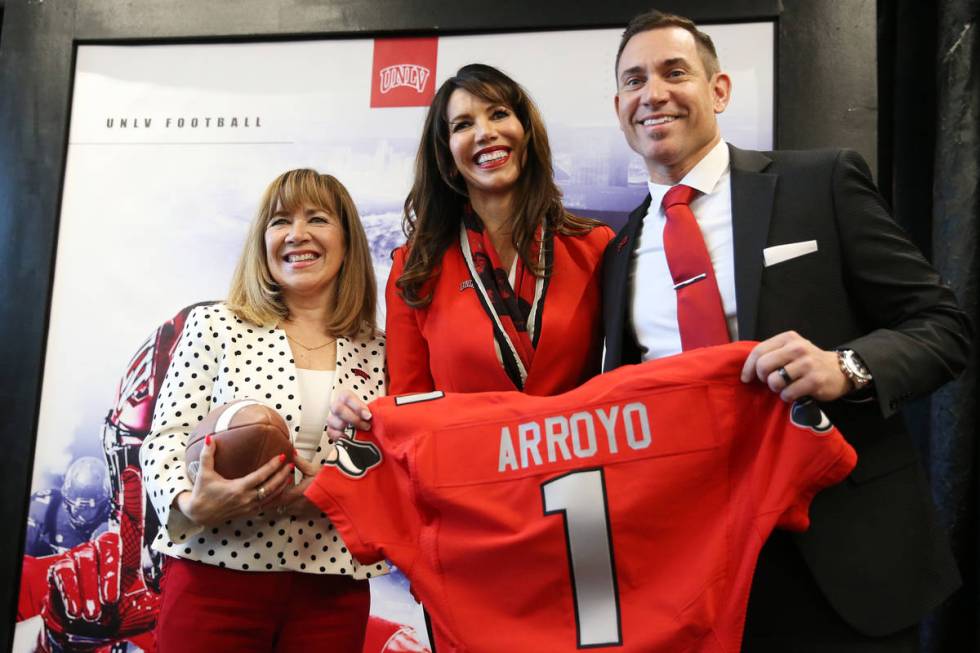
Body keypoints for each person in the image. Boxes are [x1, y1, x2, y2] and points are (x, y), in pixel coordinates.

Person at [602, 9, 971, 652]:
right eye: (635, 80)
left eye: (674, 72)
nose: (653, 93)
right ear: (619, 106)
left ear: (718, 90)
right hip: (698, 572)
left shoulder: (819, 181)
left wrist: (845, 366)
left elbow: (943, 326)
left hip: (841, 559)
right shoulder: (618, 252)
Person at [140, 169, 388, 653]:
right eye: (280, 221)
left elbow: (395, 466)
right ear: (263, 240)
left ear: (348, 241)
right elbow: (166, 436)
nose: (297, 234)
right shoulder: (216, 325)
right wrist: (189, 502)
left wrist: (337, 488)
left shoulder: (381, 350)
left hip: (330, 585)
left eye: (317, 218)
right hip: (214, 571)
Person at [387, 63, 612, 395]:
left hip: (576, 447)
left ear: (526, 131)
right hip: (463, 448)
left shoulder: (594, 246)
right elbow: (409, 405)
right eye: (463, 124)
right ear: (447, 156)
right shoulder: (415, 269)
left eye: (498, 114)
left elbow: (627, 381)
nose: (485, 132)